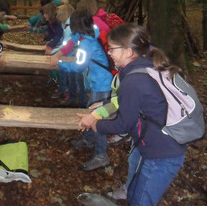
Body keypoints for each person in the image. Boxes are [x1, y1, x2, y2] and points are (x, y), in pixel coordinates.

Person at [79, 23, 186, 205]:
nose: (109, 53)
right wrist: (105, 104)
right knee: (135, 193)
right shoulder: (144, 67)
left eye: (112, 48)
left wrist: (95, 124)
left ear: (128, 52)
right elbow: (134, 101)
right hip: (158, 145)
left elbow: (123, 124)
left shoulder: (134, 80)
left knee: (141, 200)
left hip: (162, 153)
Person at [58, 10, 113, 171]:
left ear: (75, 26)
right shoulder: (90, 33)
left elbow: (78, 66)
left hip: (101, 85)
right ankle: (88, 139)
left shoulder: (86, 44)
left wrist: (60, 63)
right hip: (99, 82)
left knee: (97, 120)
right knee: (90, 113)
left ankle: (101, 156)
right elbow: (75, 39)